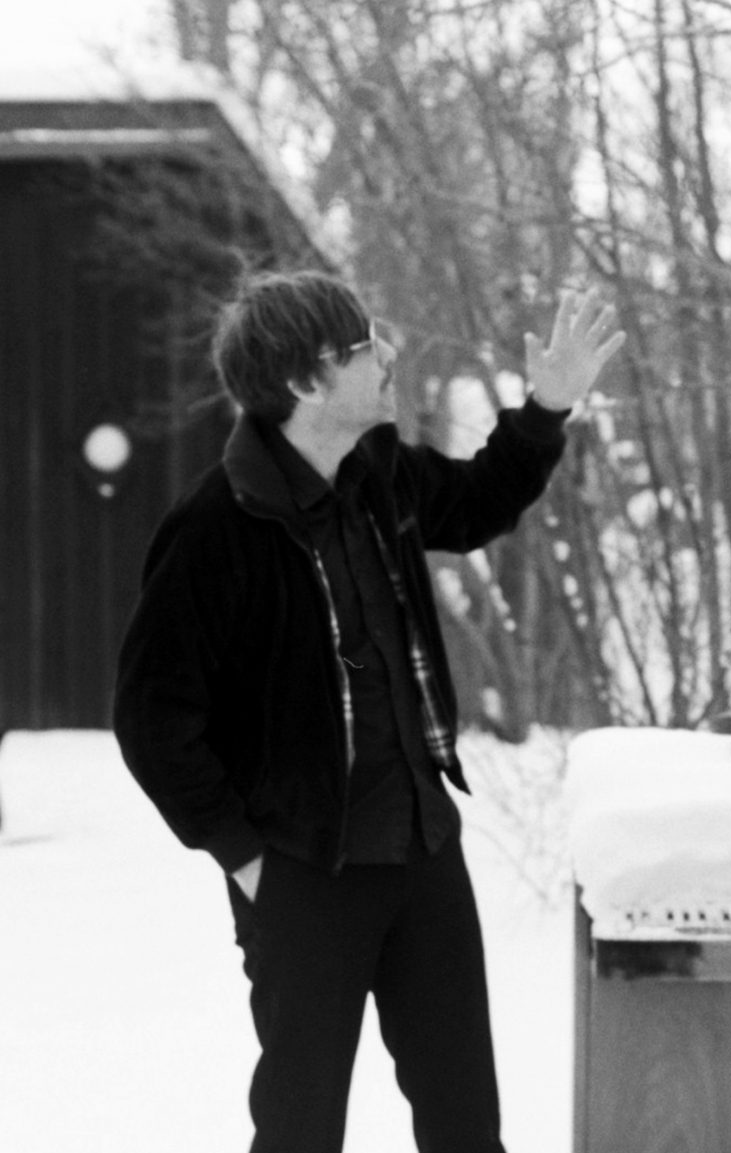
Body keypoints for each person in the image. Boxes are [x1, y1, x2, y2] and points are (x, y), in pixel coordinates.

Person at [113, 270, 623, 1153]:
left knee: (467, 1128)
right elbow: (153, 719)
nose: (388, 354)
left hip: (422, 848)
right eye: (362, 346)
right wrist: (244, 855)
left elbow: (478, 501)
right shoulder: (215, 527)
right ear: (306, 380)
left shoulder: (377, 473)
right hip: (304, 871)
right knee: (301, 1132)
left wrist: (547, 408)